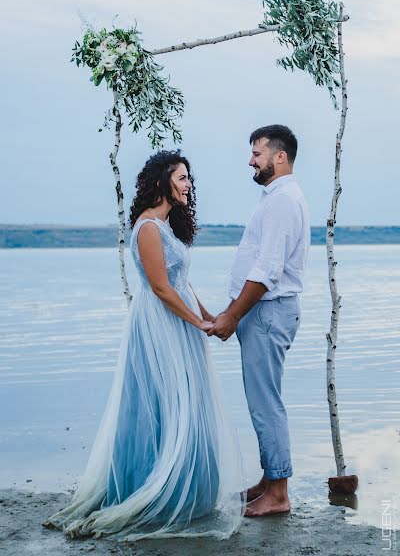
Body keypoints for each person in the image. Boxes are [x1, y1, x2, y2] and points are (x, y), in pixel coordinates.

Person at [43, 150, 244, 541]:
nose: (189, 185)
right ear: (161, 182)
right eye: (182, 177)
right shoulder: (149, 227)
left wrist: (213, 316)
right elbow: (160, 289)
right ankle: (149, 492)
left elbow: (182, 283)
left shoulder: (168, 227)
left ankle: (187, 491)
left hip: (181, 323)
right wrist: (197, 322)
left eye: (189, 178)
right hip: (158, 328)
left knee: (185, 406)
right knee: (158, 405)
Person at [208, 125, 310, 517]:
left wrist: (233, 316)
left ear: (279, 156)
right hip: (262, 312)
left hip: (268, 312)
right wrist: (231, 309)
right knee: (262, 400)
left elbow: (267, 270)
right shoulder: (274, 198)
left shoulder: (283, 201)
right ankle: (270, 481)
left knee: (265, 403)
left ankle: (279, 493)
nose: (251, 160)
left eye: (257, 153)